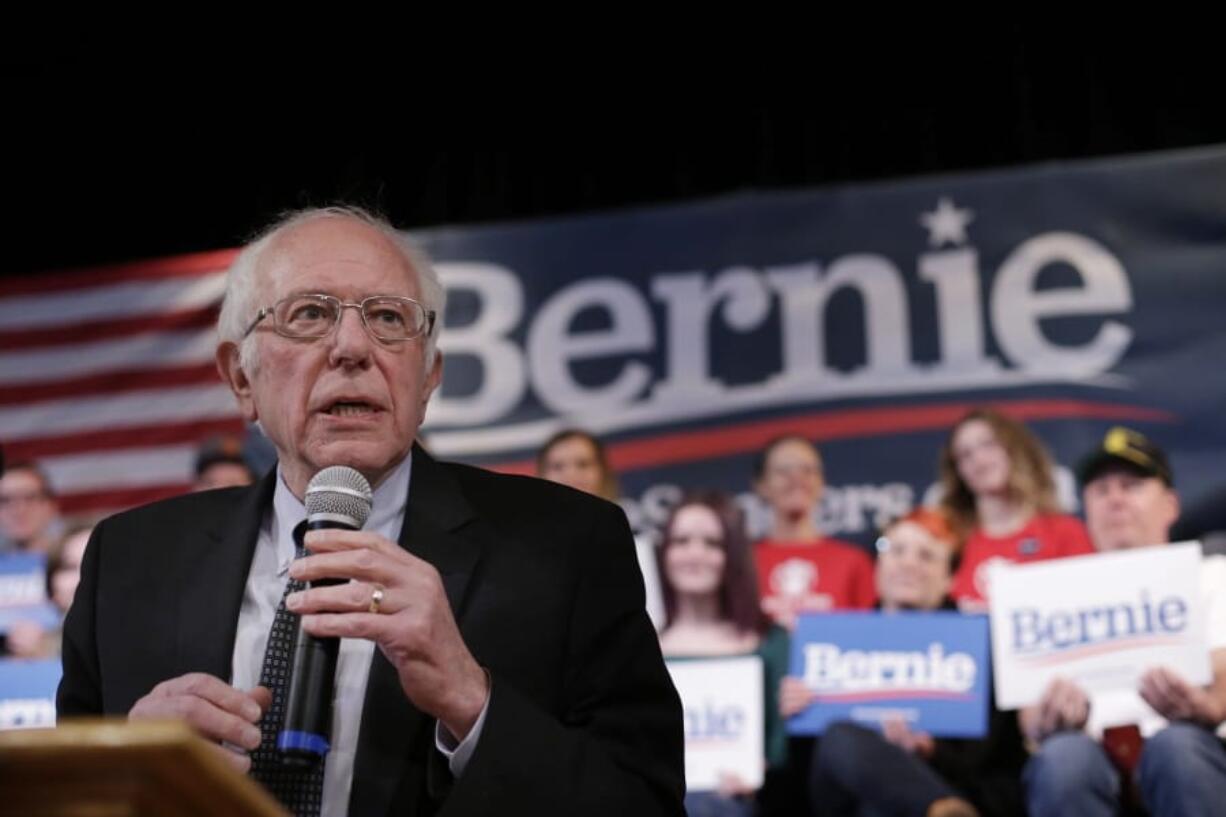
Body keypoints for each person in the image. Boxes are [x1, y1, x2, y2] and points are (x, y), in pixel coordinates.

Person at [57, 206, 685, 817]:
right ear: (240, 378)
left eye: (388, 318)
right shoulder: (127, 560)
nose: (353, 347)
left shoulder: (569, 546)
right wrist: (125, 773)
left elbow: (644, 800)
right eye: (308, 314)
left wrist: (471, 701)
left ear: (428, 377)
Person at [1020, 427, 1226, 817]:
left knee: (1177, 746)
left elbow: (1223, 671)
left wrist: (1209, 704)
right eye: (1100, 491)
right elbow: (1029, 713)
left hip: (1195, 748)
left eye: (1131, 486)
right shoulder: (1054, 591)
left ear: (1170, 504)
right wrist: (1045, 721)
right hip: (1089, 756)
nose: (1114, 499)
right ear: (1086, 508)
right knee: (1063, 758)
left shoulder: (1214, 574)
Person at [784, 509, 1027, 817]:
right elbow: (813, 771)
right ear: (878, 566)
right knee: (840, 736)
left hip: (952, 785)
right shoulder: (833, 645)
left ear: (949, 577)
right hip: (849, 800)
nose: (909, 563)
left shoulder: (980, 647)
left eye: (926, 555)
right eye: (895, 550)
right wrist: (799, 712)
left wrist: (931, 751)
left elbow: (997, 764)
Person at [656, 492, 788, 817]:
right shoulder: (637, 646)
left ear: (733, 556)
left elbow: (782, 754)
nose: (694, 554)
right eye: (681, 541)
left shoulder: (771, 641)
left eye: (712, 543)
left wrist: (760, 770)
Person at [938, 409, 1093, 609]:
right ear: (958, 471)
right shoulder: (952, 543)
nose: (979, 459)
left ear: (1013, 449)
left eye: (988, 444)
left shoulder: (1064, 532)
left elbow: (1089, 603)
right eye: (965, 455)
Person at [536, 428, 665, 628]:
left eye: (583, 464)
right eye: (557, 466)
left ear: (603, 472)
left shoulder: (636, 547)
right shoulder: (525, 553)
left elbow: (652, 622)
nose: (571, 474)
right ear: (540, 475)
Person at [751, 435, 876, 630]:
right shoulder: (744, 561)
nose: (797, 479)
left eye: (808, 470)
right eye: (784, 471)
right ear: (761, 485)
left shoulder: (853, 562)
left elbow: (869, 633)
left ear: (821, 482)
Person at [0, 460, 64, 554]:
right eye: (5, 500)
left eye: (30, 498)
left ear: (51, 506)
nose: (19, 510)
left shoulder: (78, 561)